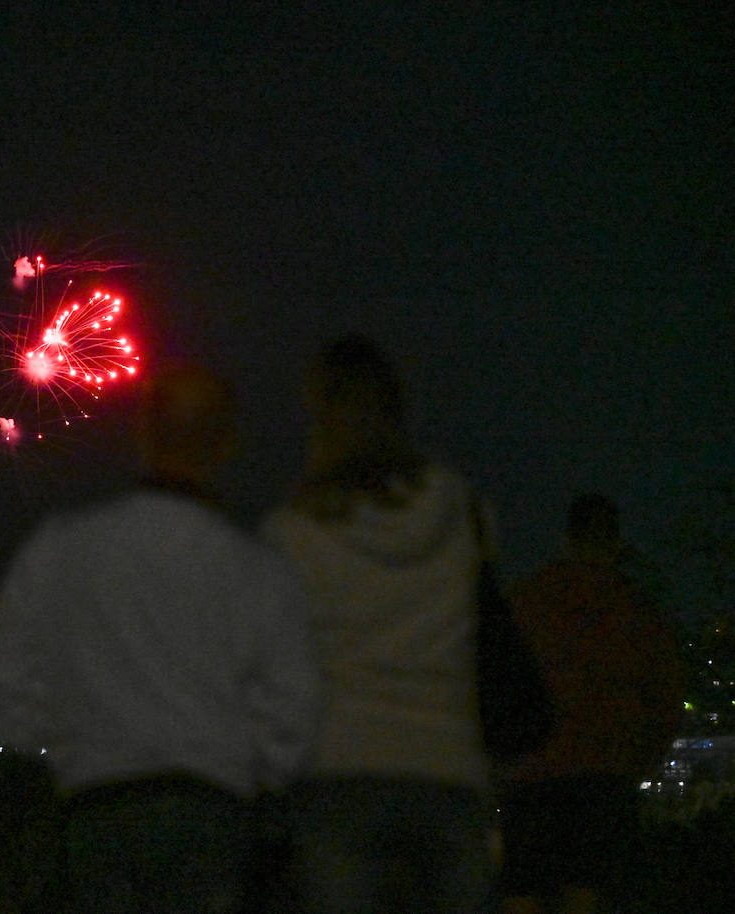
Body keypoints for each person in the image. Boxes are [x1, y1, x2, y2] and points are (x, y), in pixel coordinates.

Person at [0, 360, 320, 914]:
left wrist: (59, 745)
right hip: (212, 807)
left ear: (141, 431)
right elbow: (294, 708)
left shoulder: (63, 546)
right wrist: (255, 771)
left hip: (96, 802)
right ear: (226, 445)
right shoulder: (257, 569)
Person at [258, 334, 494, 914]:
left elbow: (278, 672)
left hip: (341, 776)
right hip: (450, 772)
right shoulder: (464, 512)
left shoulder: (292, 531)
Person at [498, 494, 684, 914]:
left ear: (567, 539)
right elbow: (665, 697)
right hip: (604, 774)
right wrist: (639, 761)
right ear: (616, 543)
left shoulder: (527, 600)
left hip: (533, 774)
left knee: (523, 895)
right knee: (587, 893)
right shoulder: (636, 609)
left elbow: (493, 681)